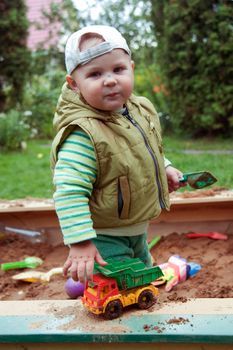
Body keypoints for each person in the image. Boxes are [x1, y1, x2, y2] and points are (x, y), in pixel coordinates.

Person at [51, 25, 185, 284]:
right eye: (95, 73)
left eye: (118, 69)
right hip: (104, 236)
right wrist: (81, 242)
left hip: (135, 227)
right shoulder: (83, 135)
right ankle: (89, 280)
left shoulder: (136, 110)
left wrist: (164, 166)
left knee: (140, 277)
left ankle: (85, 283)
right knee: (122, 287)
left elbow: (141, 147)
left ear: (131, 68)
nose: (110, 80)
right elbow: (69, 191)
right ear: (74, 84)